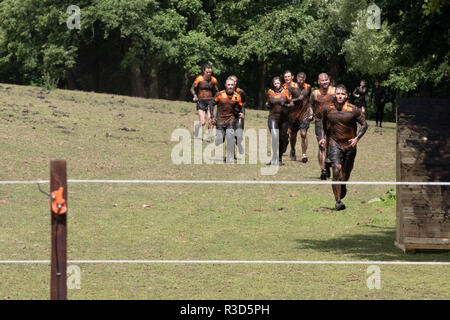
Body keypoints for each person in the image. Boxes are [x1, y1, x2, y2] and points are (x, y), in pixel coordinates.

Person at [315, 84, 368, 210]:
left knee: (345, 173)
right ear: (335, 95)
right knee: (336, 170)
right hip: (335, 143)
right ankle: (338, 201)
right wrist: (322, 138)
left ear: (346, 96)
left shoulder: (353, 109)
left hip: (350, 145)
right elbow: (322, 125)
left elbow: (365, 125)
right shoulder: (328, 108)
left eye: (342, 94)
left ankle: (343, 184)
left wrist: (357, 138)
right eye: (338, 94)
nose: (340, 96)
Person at [210, 79, 244, 163]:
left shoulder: (237, 96)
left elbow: (240, 107)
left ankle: (228, 157)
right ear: (225, 85)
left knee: (230, 137)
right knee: (220, 139)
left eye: (232, 85)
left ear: (234, 86)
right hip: (220, 121)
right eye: (229, 85)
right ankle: (218, 140)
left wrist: (240, 113)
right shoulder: (220, 94)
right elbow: (211, 104)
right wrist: (212, 117)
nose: (230, 86)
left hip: (231, 120)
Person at [309, 73, 336, 179]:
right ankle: (323, 170)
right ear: (318, 82)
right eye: (322, 80)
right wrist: (311, 114)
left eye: (326, 80)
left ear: (329, 80)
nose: (324, 82)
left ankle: (328, 164)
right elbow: (310, 104)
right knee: (321, 145)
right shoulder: (315, 93)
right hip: (319, 122)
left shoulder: (334, 91)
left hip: (333, 122)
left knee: (331, 146)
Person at [266, 76, 292, 166]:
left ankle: (279, 158)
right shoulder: (270, 92)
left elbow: (292, 104)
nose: (276, 85)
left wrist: (285, 105)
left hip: (284, 119)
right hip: (272, 118)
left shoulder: (286, 92)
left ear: (281, 83)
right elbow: (268, 101)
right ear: (273, 84)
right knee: (275, 137)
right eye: (275, 83)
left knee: (282, 139)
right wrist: (267, 104)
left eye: (278, 83)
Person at [190, 64, 219, 142]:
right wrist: (195, 95)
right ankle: (197, 127)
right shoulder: (199, 79)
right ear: (204, 71)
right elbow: (192, 88)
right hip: (201, 102)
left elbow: (217, 91)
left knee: (211, 120)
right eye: (207, 72)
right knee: (203, 122)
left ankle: (209, 137)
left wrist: (216, 100)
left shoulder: (214, 80)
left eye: (210, 72)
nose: (209, 74)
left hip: (210, 102)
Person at [293, 72, 312, 163]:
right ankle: (293, 149)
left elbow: (310, 100)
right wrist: (297, 99)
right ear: (297, 79)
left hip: (304, 114)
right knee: (292, 136)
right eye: (300, 79)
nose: (302, 81)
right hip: (293, 115)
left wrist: (311, 112)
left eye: (303, 79)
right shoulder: (291, 87)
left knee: (303, 134)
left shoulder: (308, 87)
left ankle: (304, 154)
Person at [228, 75, 246, 157]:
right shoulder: (224, 92)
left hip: (239, 115)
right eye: (232, 81)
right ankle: (231, 154)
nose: (234, 83)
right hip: (229, 116)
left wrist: (243, 113)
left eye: (235, 81)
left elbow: (243, 103)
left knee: (239, 134)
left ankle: (239, 143)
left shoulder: (240, 92)